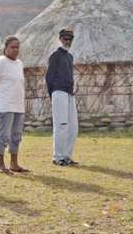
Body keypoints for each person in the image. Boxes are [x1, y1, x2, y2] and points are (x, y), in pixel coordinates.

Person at [0, 35, 30, 174]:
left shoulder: (19, 63)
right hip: (5, 105)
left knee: (16, 136)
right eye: (12, 47)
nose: (15, 49)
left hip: (18, 105)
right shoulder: (1, 62)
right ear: (5, 48)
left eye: (17, 47)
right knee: (4, 135)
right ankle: (1, 165)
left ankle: (14, 164)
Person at [45, 28, 78, 166]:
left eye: (70, 39)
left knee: (73, 126)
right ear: (60, 39)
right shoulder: (55, 55)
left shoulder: (70, 57)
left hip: (70, 93)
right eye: (65, 39)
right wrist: (53, 94)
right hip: (59, 92)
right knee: (61, 125)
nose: (68, 41)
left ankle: (67, 156)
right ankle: (58, 157)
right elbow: (49, 77)